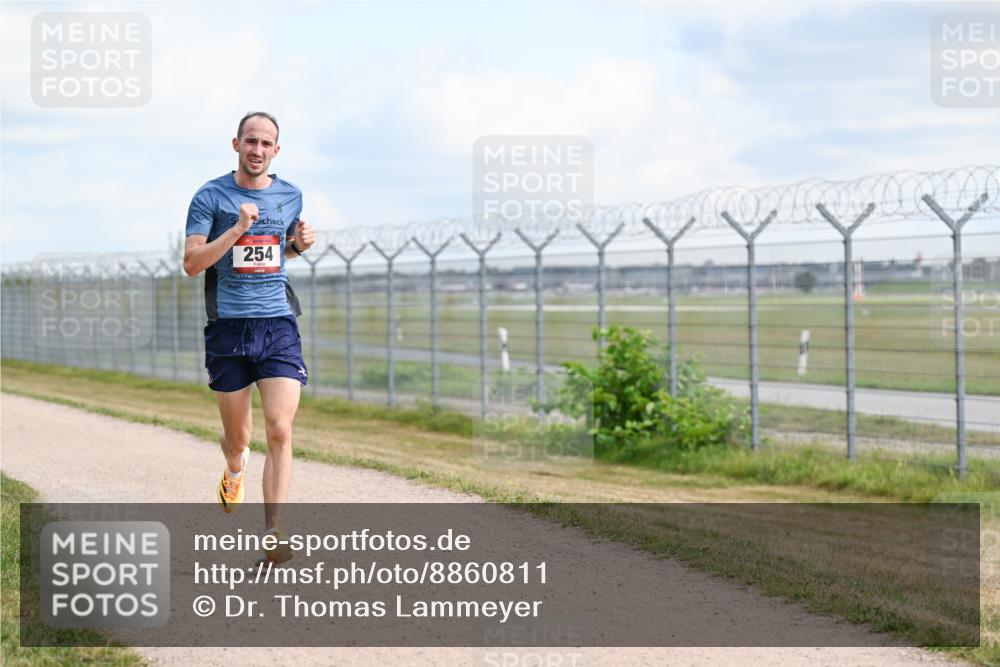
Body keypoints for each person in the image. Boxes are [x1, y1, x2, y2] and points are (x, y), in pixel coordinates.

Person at [184, 111, 315, 564]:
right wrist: (237, 228)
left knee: (280, 428)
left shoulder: (290, 194)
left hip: (278, 322)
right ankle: (235, 467)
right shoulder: (210, 196)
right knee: (238, 437)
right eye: (250, 141)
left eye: (266, 143)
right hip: (228, 328)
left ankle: (274, 531)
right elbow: (192, 262)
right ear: (236, 144)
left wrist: (298, 246)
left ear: (276, 150)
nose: (257, 150)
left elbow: (275, 254)